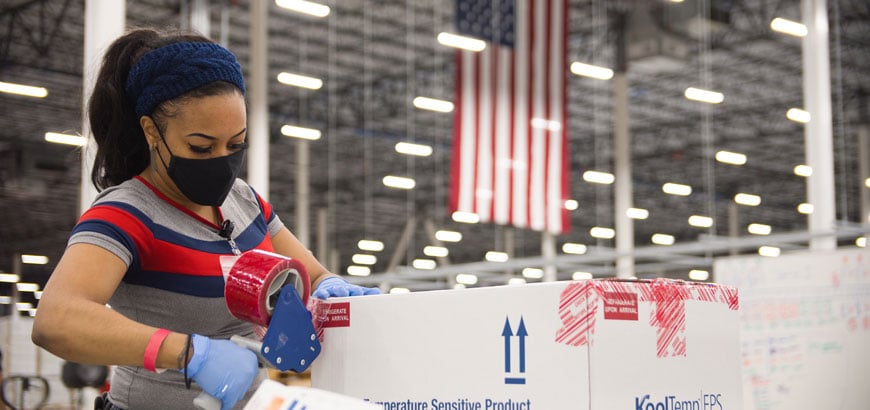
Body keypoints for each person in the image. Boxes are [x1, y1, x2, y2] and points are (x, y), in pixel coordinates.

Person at [31, 27, 379, 410]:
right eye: (201, 146)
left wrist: (331, 286)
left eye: (236, 144)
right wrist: (190, 353)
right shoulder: (126, 214)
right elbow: (56, 319)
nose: (221, 161)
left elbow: (311, 275)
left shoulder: (243, 201)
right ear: (152, 132)